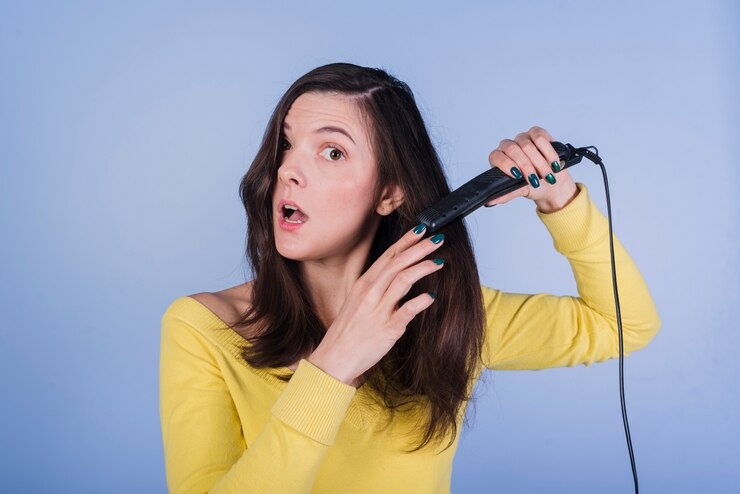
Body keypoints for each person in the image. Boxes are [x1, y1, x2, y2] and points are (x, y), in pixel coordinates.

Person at [159, 62, 661, 493]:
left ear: (390, 194)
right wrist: (333, 368)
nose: (288, 170)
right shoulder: (203, 329)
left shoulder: (449, 318)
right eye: (285, 145)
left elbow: (625, 325)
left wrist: (561, 202)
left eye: (331, 152)